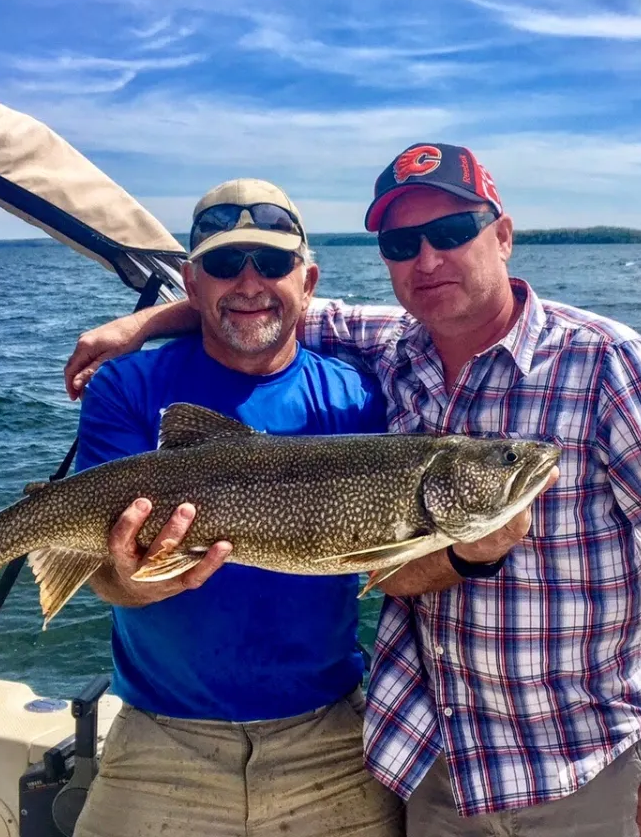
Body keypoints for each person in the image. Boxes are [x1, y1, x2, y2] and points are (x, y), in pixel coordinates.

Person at [67, 146, 641, 837]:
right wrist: (141, 327)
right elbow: (248, 309)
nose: (427, 259)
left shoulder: (609, 361)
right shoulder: (397, 352)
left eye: (451, 233)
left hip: (585, 761)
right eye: (401, 242)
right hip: (439, 763)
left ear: (503, 236)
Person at [69, 177, 404, 837]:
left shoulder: (361, 400)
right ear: (193, 287)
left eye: (273, 264)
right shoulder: (128, 386)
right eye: (224, 266)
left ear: (308, 281)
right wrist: (134, 579)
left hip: (330, 738)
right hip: (161, 739)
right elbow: (102, 575)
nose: (249, 284)